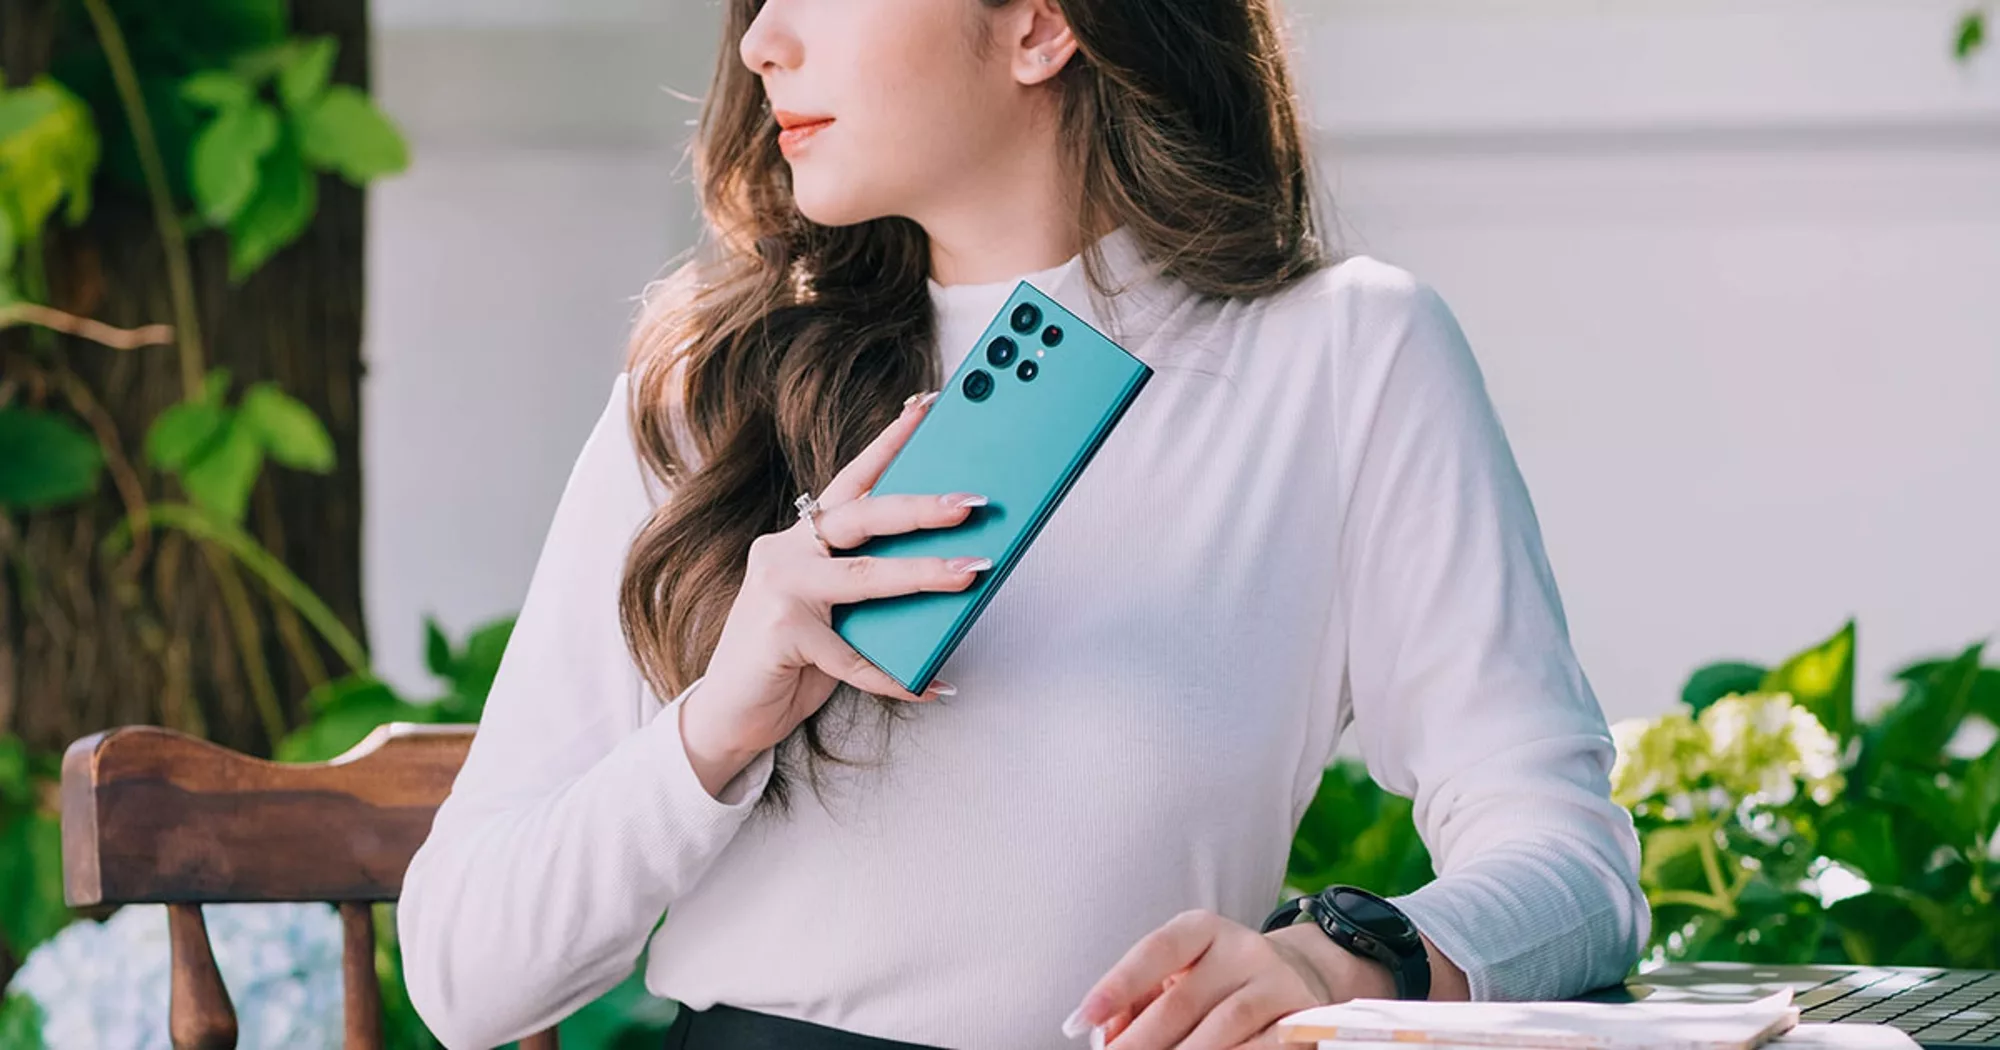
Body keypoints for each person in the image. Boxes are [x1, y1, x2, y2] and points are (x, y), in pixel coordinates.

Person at [395, 0, 1649, 1047]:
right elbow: (465, 977)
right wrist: (722, 721)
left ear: (1042, 23)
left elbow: (1571, 869)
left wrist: (1337, 962)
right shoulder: (704, 392)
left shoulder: (1344, 354)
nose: (761, 40)